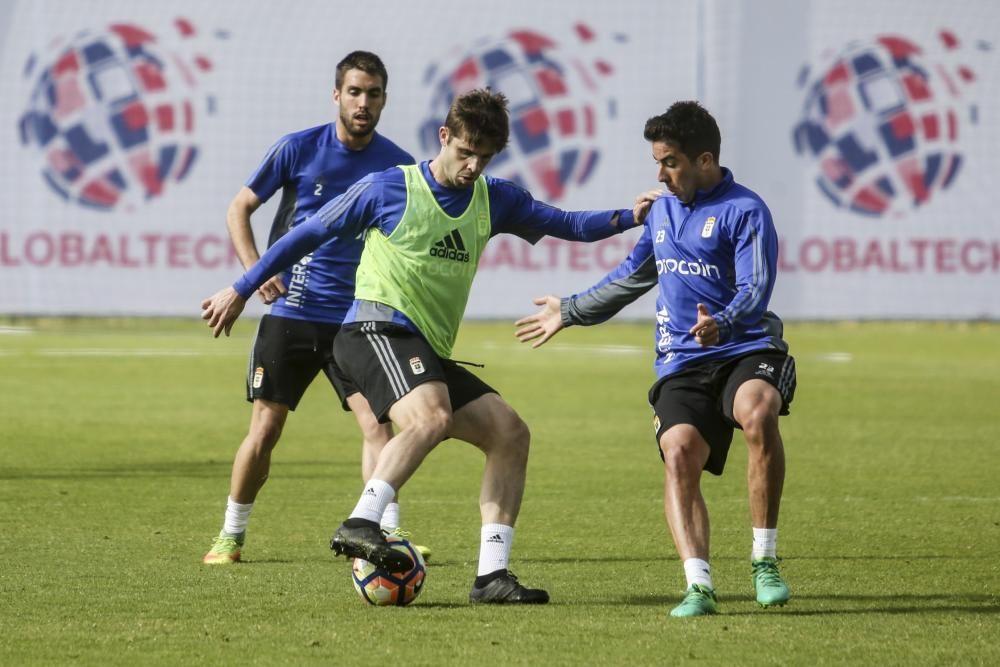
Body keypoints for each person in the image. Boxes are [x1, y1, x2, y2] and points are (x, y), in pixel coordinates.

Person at [202, 88, 649, 603]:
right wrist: (239, 289)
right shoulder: (387, 188)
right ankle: (361, 522)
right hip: (372, 331)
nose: (473, 165)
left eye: (485, 156)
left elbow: (568, 224)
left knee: (510, 433)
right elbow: (304, 235)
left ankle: (491, 577)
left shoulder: (494, 198)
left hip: (424, 348)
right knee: (430, 417)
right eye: (465, 151)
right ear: (444, 136)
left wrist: (630, 216)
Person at [514, 101, 796, 617]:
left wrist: (723, 323)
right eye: (657, 163)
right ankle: (699, 586)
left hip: (745, 345)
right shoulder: (662, 210)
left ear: (705, 160)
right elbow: (630, 277)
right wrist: (569, 311)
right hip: (682, 359)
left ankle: (765, 561)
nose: (661, 174)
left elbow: (757, 289)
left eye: (670, 162)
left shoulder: (746, 210)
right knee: (680, 451)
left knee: (757, 413)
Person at [202, 51, 429, 565]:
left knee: (378, 426)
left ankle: (385, 533)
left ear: (384, 100)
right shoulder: (298, 149)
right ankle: (230, 535)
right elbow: (239, 207)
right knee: (266, 429)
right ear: (337, 95)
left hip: (357, 319)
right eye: (354, 92)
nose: (363, 103)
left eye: (373, 94)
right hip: (292, 313)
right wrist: (258, 270)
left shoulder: (398, 165)